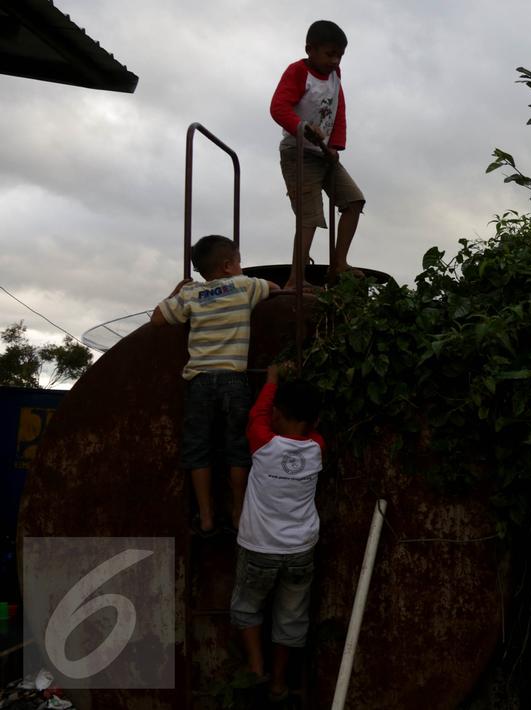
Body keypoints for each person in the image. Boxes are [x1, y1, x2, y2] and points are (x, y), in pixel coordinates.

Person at [151, 235, 277, 536]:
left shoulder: (191, 295)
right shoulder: (243, 285)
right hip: (234, 379)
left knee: (198, 449)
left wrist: (178, 291)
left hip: (200, 381)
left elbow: (157, 319)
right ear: (228, 265)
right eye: (238, 261)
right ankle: (237, 512)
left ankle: (206, 516)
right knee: (237, 447)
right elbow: (274, 289)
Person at [231, 364, 324, 703]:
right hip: (301, 550)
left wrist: (271, 381)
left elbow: (257, 412)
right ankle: (279, 683)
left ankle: (257, 669)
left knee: (246, 609)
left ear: (278, 414)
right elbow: (308, 429)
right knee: (291, 619)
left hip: (259, 548)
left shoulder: (262, 442)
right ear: (314, 422)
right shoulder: (316, 448)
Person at [270, 19, 366, 290]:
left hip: (324, 155)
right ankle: (295, 280)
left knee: (353, 201)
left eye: (340, 55)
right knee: (309, 217)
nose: (335, 60)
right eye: (329, 54)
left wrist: (335, 145)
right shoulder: (298, 72)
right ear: (309, 49)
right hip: (298, 152)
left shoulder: (336, 77)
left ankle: (339, 263)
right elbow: (278, 107)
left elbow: (339, 110)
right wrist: (302, 128)